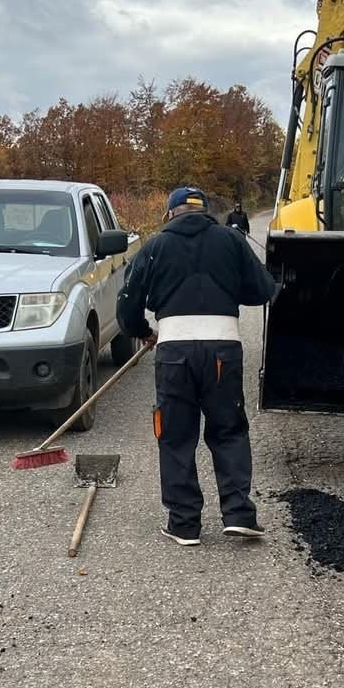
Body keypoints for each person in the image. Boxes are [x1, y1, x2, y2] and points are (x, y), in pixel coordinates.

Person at [116, 185, 278, 546]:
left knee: (176, 435)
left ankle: (184, 523)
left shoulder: (154, 247)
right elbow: (263, 290)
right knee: (229, 430)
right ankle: (238, 514)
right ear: (205, 212)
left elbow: (126, 306)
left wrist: (143, 331)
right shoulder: (232, 240)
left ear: (170, 214)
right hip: (223, 349)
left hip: (174, 351)